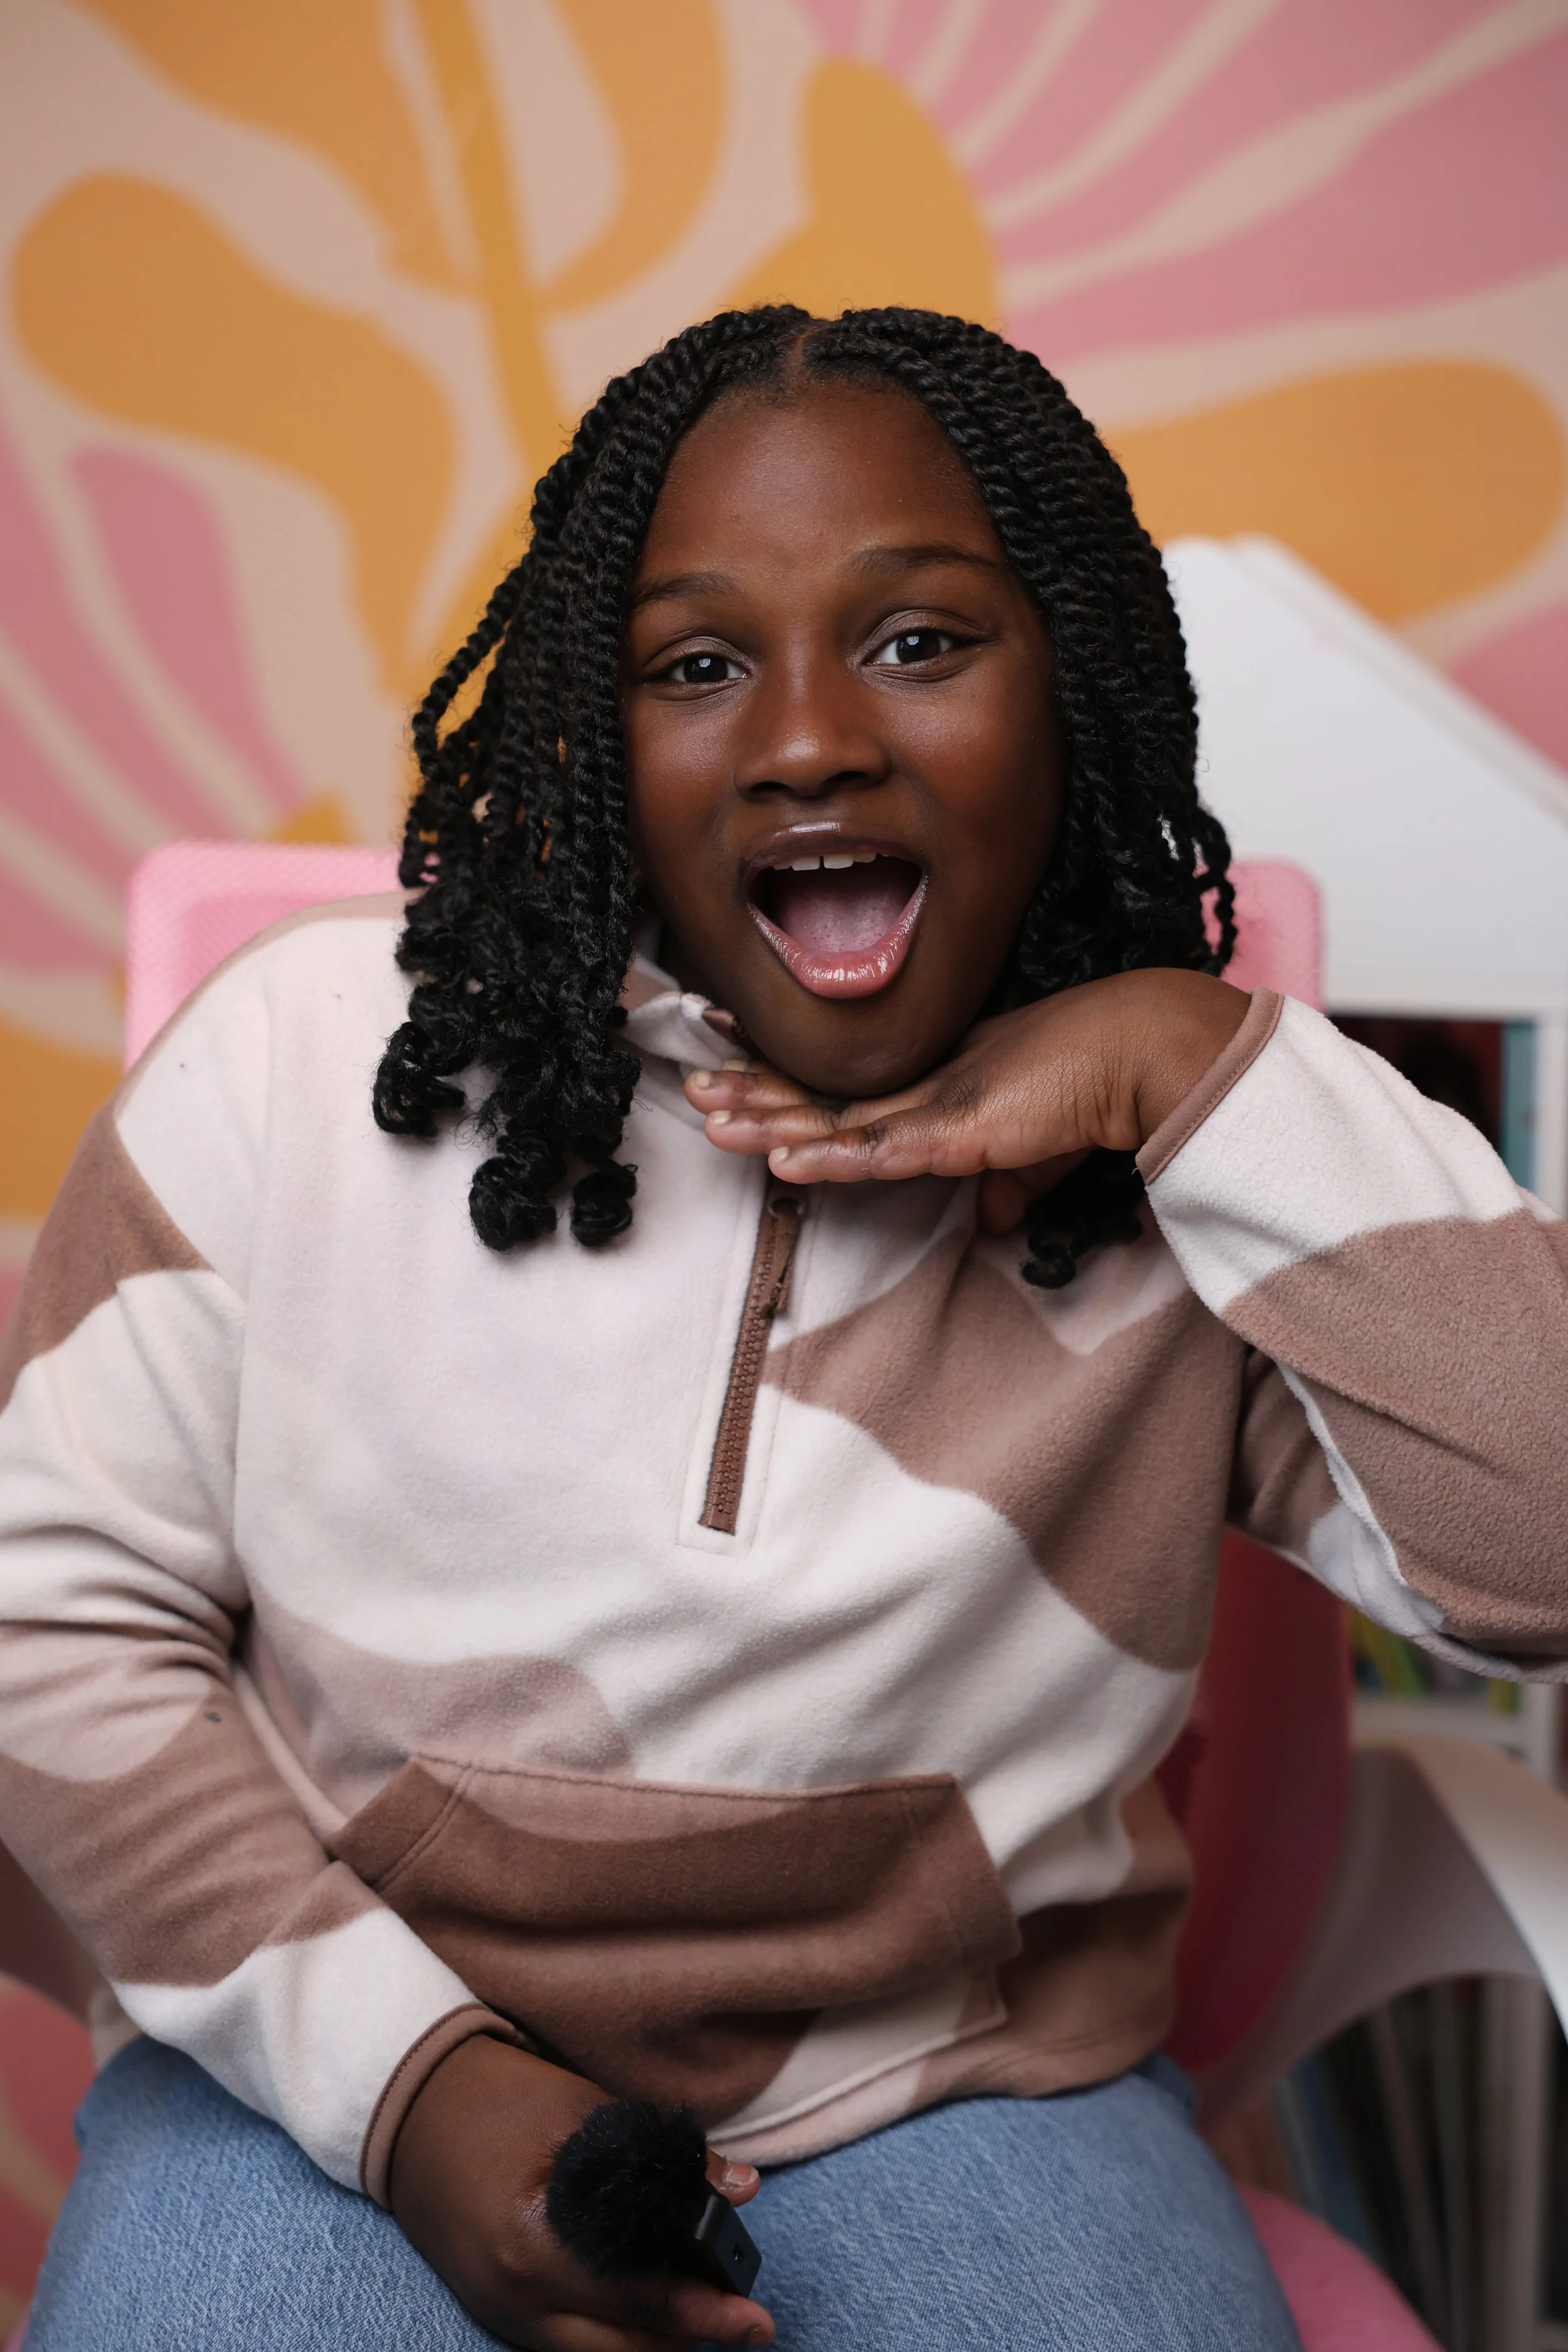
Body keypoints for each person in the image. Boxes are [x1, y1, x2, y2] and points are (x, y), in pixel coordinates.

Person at [3, 306, 1564, 2352]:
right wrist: (415, 2091)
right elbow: (53, 1624)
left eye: (918, 640)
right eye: (696, 663)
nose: (811, 732)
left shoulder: (1193, 1178)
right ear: (596, 730)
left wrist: (1191, 1065)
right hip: (323, 2065)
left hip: (970, 2087)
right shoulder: (292, 1072)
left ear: (1070, 688)